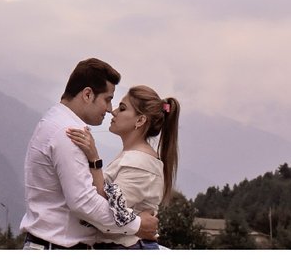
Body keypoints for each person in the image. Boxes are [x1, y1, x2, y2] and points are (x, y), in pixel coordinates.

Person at [19, 58, 159, 249]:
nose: (110, 109)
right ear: (87, 94)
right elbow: (83, 201)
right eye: (107, 99)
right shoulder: (68, 132)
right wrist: (137, 225)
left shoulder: (56, 121)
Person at [66, 84, 180, 249]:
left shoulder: (141, 165)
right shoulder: (132, 157)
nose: (113, 112)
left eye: (122, 108)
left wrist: (94, 158)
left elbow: (108, 210)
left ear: (140, 120)